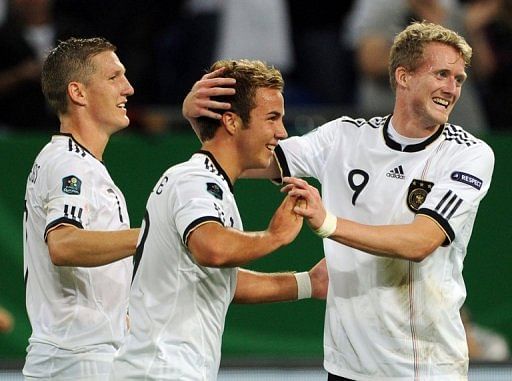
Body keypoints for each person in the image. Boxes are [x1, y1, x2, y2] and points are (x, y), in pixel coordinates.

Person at [183, 22, 495, 380]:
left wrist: (326, 222)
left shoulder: (468, 154)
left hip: (423, 367)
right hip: (346, 366)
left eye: (459, 79)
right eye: (442, 74)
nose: (452, 89)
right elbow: (246, 158)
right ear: (404, 76)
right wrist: (202, 122)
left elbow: (420, 241)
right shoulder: (343, 138)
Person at [110, 60, 328, 381]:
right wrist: (275, 236)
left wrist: (310, 282)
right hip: (161, 371)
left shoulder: (211, 184)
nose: (281, 132)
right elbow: (211, 249)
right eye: (272, 118)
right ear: (232, 122)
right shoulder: (194, 179)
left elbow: (221, 281)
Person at [23, 37, 140, 380]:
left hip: (79, 357)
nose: (128, 88)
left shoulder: (76, 163)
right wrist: (154, 232)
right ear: (79, 93)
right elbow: (64, 244)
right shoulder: (69, 166)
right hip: (78, 361)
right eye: (114, 77)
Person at [343, 0, 489, 135]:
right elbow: (372, 62)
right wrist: (434, 29)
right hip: (399, 127)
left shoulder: (449, 4)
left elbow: (484, 68)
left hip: (460, 122)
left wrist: (472, 31)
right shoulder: (380, 4)